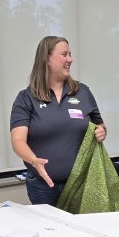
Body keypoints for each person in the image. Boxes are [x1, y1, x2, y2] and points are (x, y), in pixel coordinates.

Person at [10, 36, 106, 206]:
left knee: (79, 230)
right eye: (64, 54)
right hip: (43, 185)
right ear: (46, 58)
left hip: (80, 183)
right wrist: (34, 160)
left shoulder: (82, 91)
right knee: (49, 231)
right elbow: (18, 141)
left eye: (70, 54)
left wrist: (101, 131)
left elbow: (99, 124)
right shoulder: (26, 98)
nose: (70, 59)